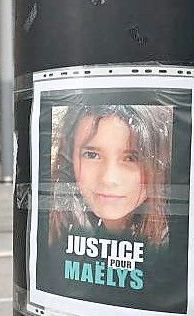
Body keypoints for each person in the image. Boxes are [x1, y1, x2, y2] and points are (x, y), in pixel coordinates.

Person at [47, 105, 172, 247]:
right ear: (70, 158)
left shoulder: (180, 238)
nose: (108, 179)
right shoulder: (54, 226)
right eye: (92, 155)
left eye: (131, 158)